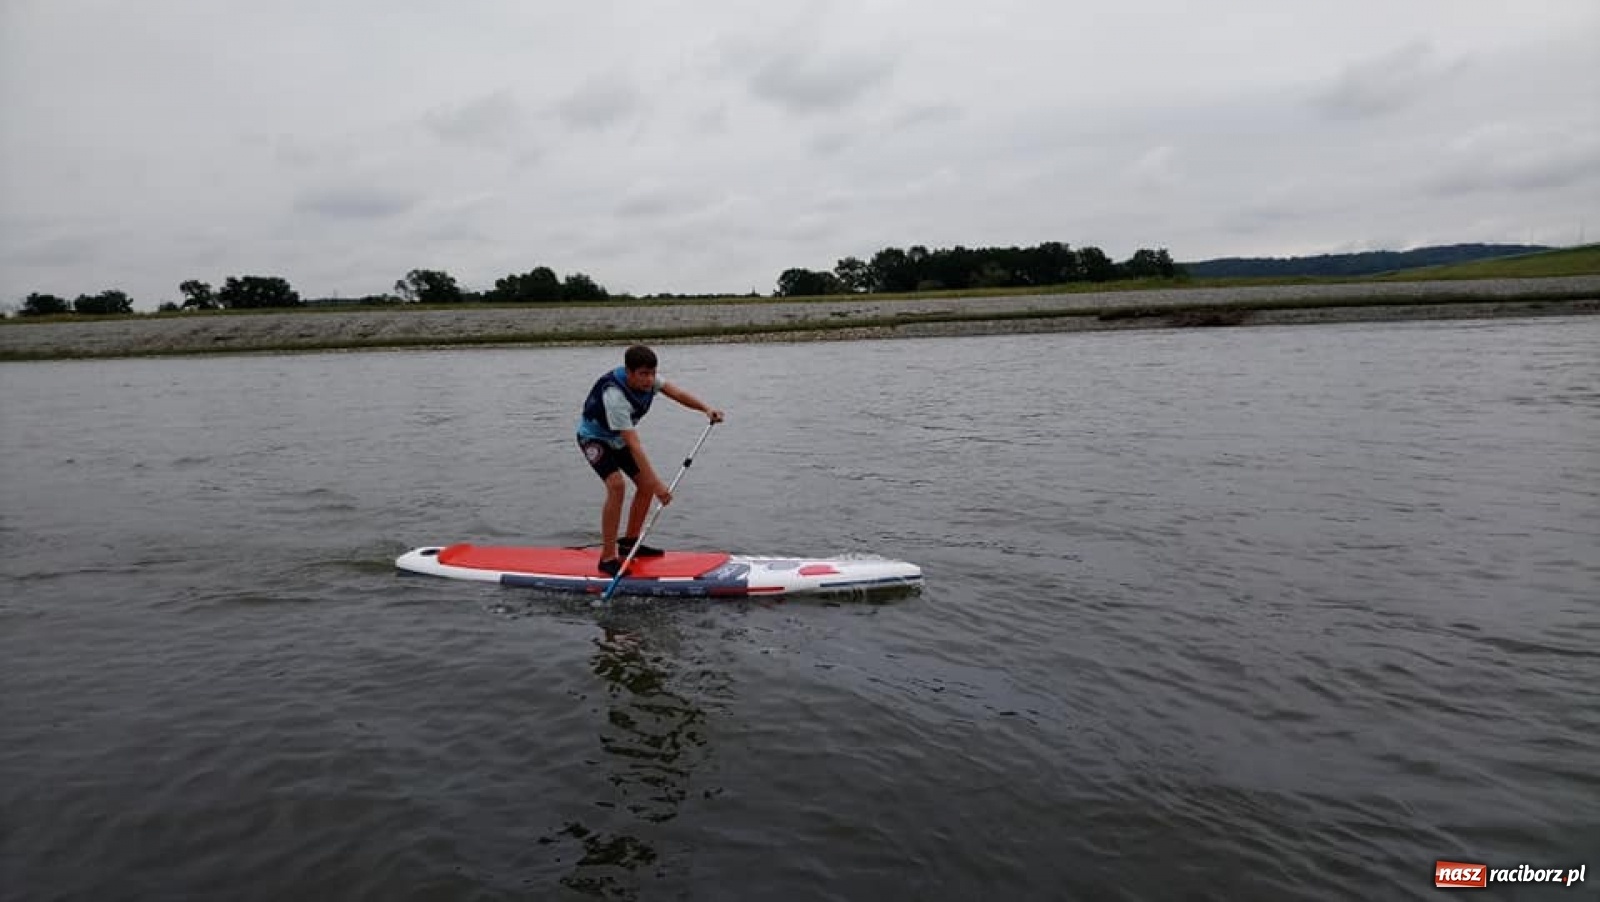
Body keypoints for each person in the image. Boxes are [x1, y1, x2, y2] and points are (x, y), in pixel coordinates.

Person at [577, 345, 724, 575]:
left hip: (617, 440)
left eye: (652, 373)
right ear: (629, 372)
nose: (650, 379)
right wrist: (659, 487)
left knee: (644, 486)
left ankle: (629, 543)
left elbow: (678, 394)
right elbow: (634, 445)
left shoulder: (650, 380)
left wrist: (705, 409)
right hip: (594, 439)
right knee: (616, 486)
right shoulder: (614, 396)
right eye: (643, 374)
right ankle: (607, 559)